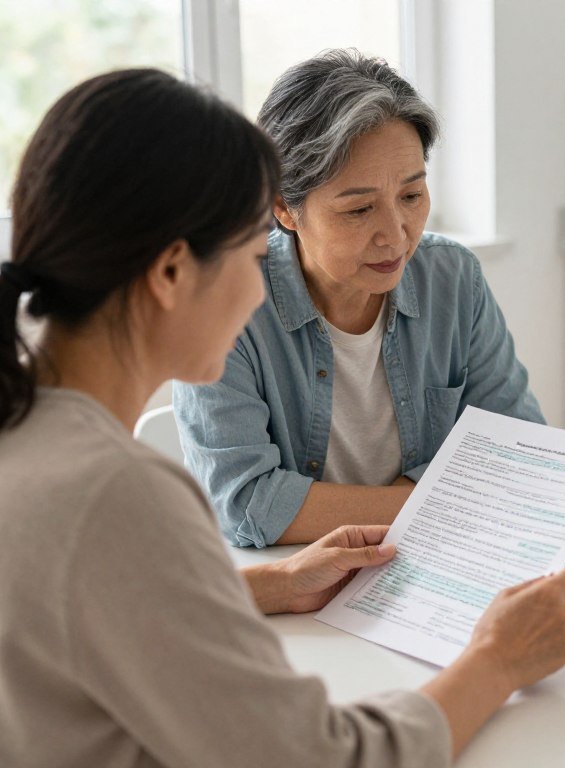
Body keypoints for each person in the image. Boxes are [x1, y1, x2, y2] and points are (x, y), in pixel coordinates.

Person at [0, 68, 565, 768]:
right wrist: (497, 661)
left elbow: (83, 612)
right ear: (171, 274)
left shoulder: (12, 428)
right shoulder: (113, 494)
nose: (263, 287)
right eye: (255, 257)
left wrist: (263, 585)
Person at [174, 50, 542, 548]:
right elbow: (248, 505)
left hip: (431, 564)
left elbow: (521, 451)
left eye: (411, 197)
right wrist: (442, 498)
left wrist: (372, 504)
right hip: (290, 580)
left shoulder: (452, 277)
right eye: (360, 209)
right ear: (284, 206)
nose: (395, 237)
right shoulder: (223, 304)